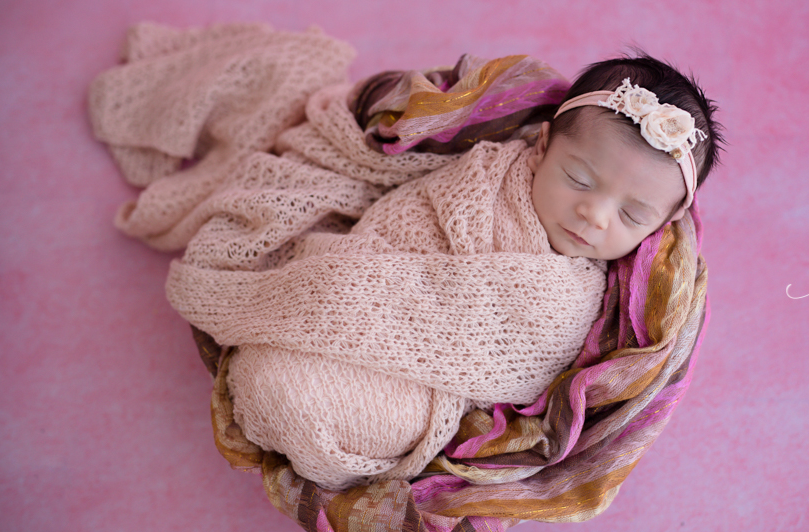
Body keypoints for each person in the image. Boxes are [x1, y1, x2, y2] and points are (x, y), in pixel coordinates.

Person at [204, 53, 723, 490]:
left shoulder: (591, 293)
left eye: (633, 215)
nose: (596, 215)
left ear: (666, 221)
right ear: (542, 147)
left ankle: (314, 409)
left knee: (300, 400)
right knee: (287, 352)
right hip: (356, 287)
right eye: (577, 178)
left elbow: (530, 363)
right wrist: (355, 284)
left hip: (428, 383)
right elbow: (401, 222)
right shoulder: (483, 177)